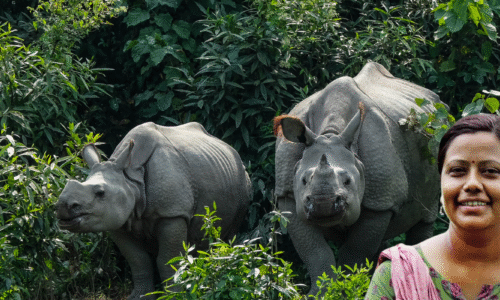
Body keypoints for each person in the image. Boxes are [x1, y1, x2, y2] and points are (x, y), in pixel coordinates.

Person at [366, 113, 500, 300]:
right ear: (441, 181)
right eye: (457, 170)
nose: (472, 184)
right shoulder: (399, 274)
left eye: (491, 171)